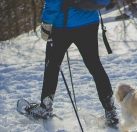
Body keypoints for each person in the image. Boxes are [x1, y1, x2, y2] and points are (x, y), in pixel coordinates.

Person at [29, 0, 119, 128]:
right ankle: (111, 112)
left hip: (63, 26)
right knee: (95, 65)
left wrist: (47, 22)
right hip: (89, 22)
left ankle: (45, 106)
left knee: (52, 66)